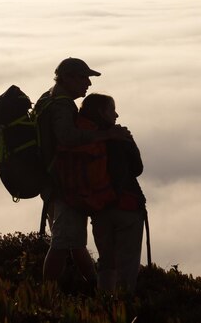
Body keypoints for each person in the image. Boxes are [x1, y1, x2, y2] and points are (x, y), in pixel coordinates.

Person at [36, 57, 129, 287]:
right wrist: (106, 135)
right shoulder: (61, 104)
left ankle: (93, 285)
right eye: (83, 78)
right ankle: (46, 296)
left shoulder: (48, 98)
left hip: (53, 182)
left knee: (73, 241)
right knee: (61, 243)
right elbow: (67, 138)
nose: (88, 83)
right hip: (65, 186)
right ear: (67, 78)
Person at [78, 93, 146, 293]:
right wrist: (129, 140)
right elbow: (137, 168)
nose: (116, 114)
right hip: (127, 207)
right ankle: (122, 305)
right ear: (102, 112)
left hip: (98, 206)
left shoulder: (81, 136)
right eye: (112, 110)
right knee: (127, 263)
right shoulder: (118, 136)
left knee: (106, 261)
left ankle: (104, 304)